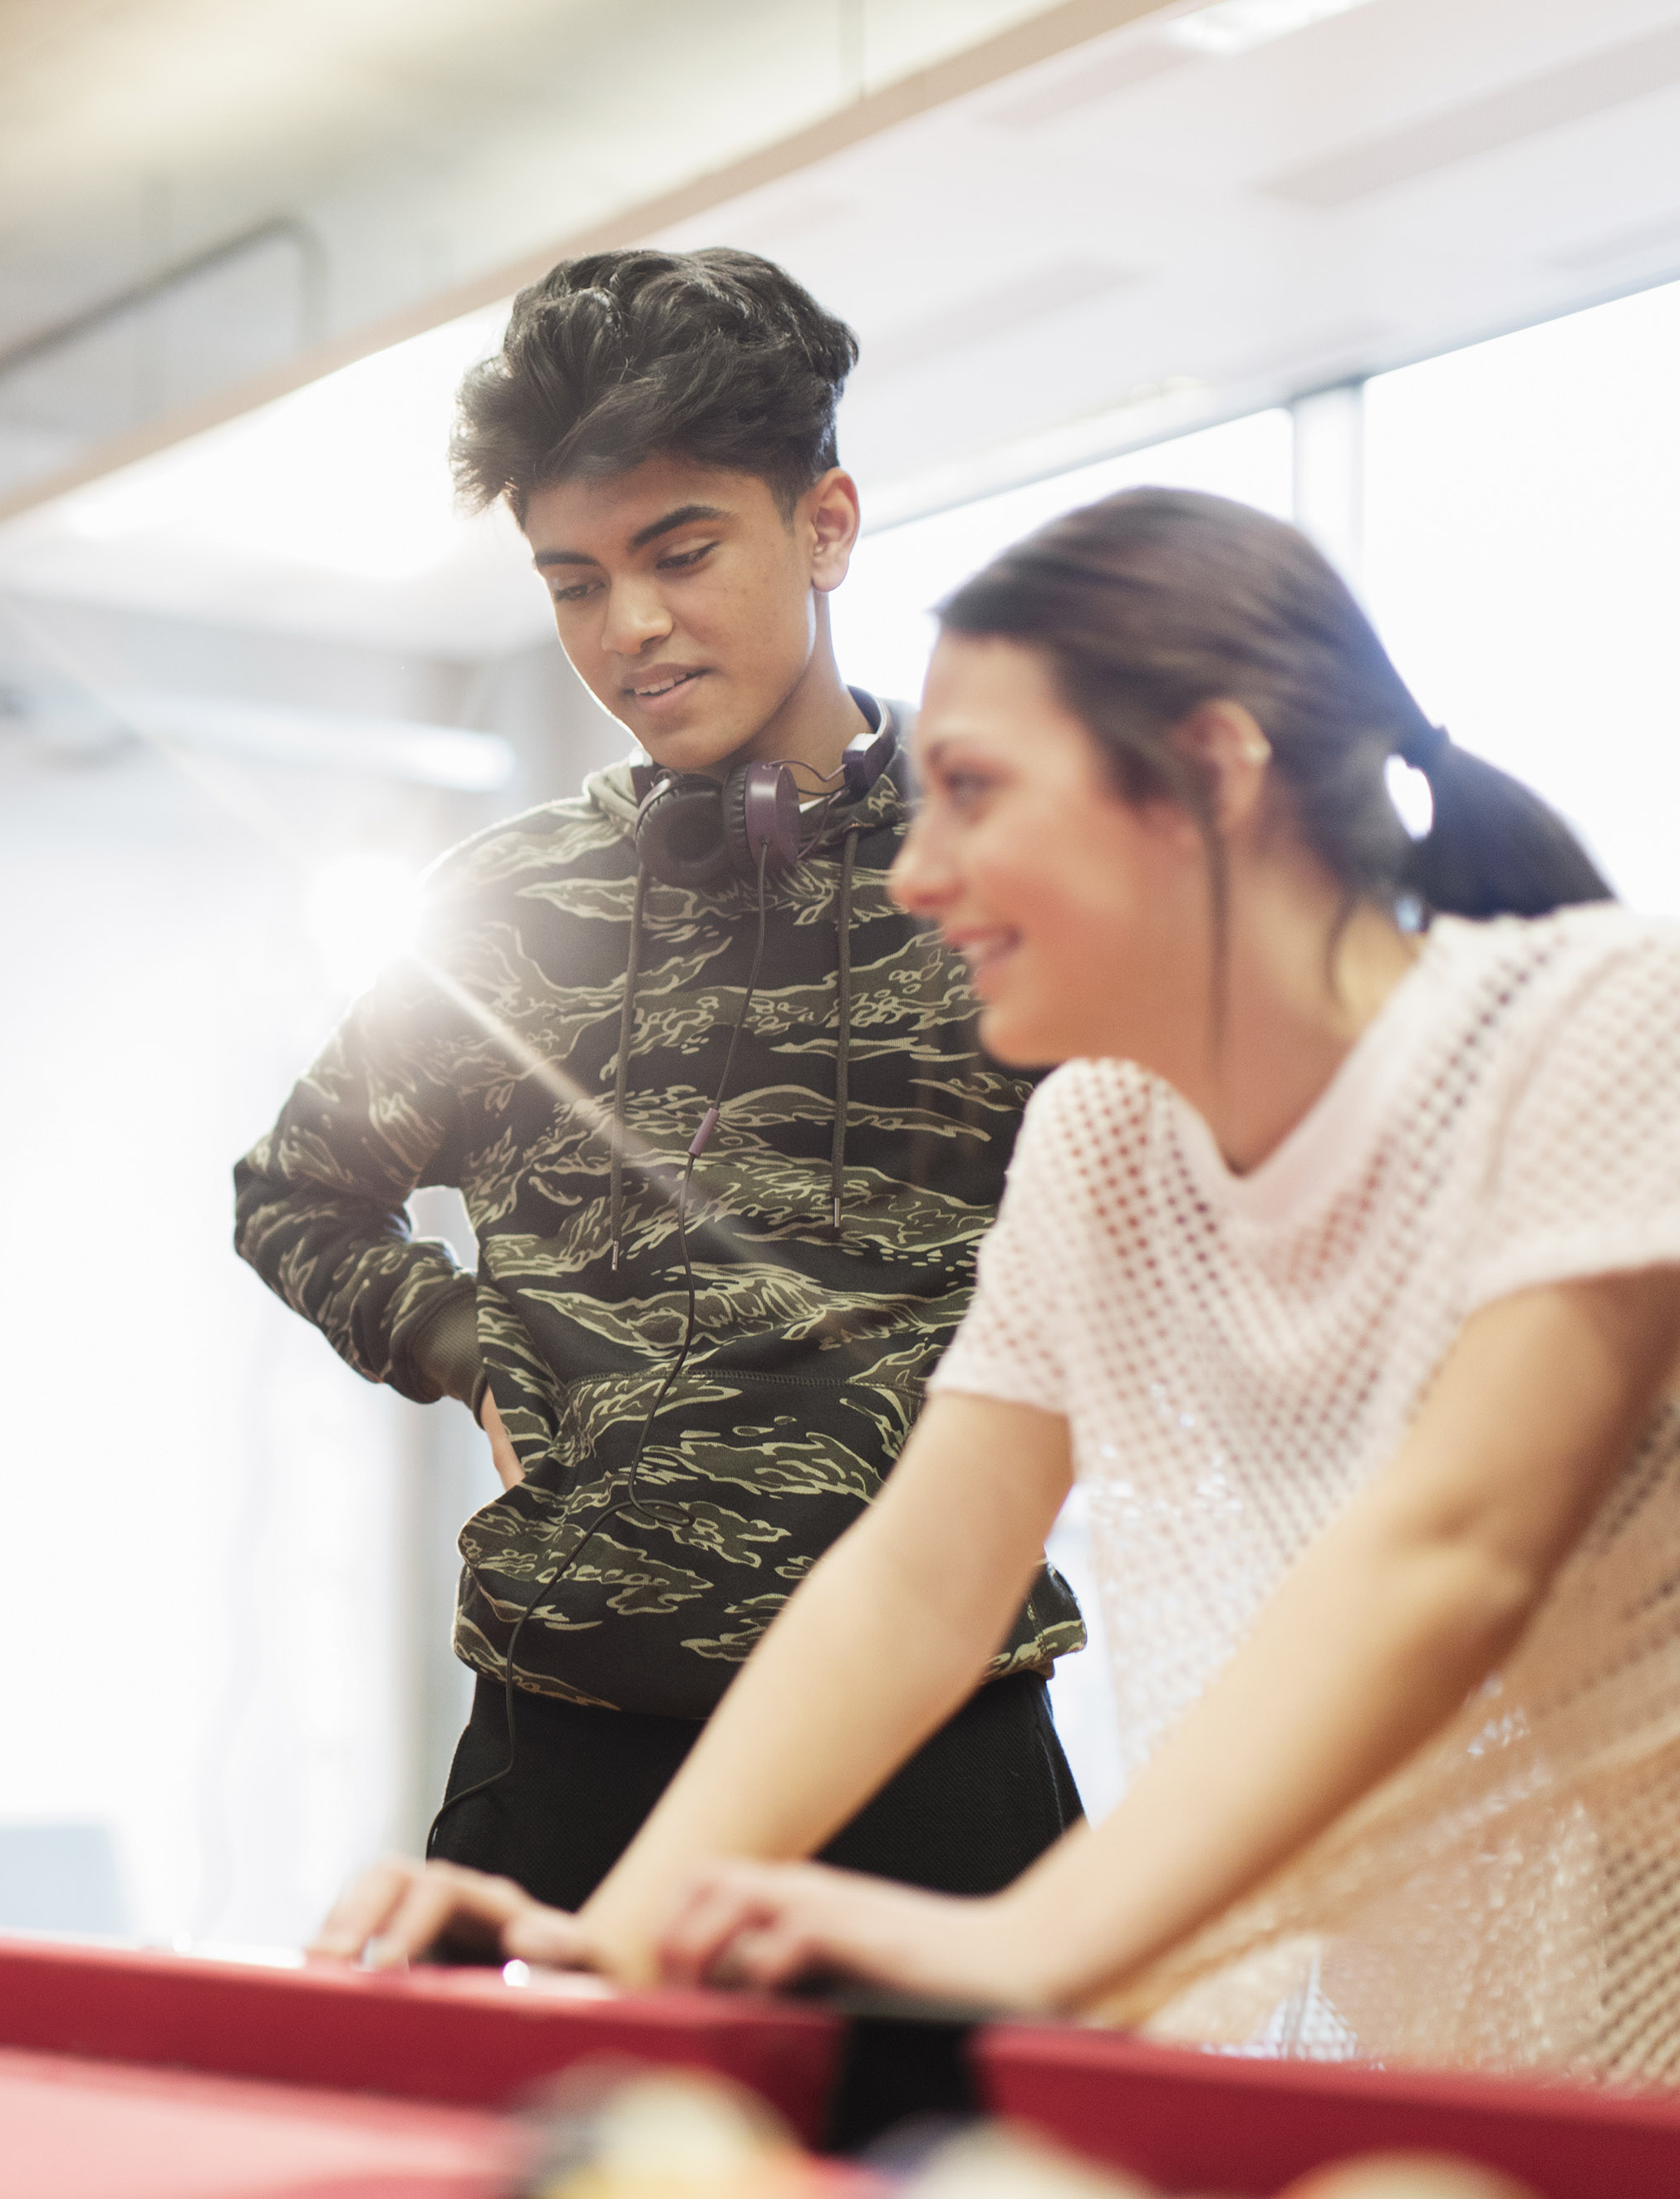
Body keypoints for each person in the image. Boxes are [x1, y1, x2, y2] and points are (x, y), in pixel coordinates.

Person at [323, 487, 1680, 2093]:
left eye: (975, 795)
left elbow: (1452, 1549)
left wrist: (1034, 1937)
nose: (917, 874)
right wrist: (624, 1936)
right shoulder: (1106, 1134)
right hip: (1455, 2021)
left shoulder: (1610, 1015)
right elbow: (921, 1579)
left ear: (1209, 774)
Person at [238, 248, 1084, 1933]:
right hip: (568, 1746)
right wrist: (462, 1347)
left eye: (678, 554)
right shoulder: (504, 909)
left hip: (940, 1746)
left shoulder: (1007, 875)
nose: (627, 629)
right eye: (572, 582)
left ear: (823, 525)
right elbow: (294, 1193)